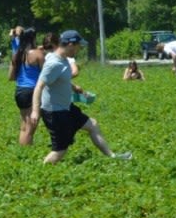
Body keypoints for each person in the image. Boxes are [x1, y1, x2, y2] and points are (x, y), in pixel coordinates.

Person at [30, 30, 131, 164]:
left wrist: (73, 87)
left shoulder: (63, 58)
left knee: (92, 125)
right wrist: (36, 111)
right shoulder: (53, 63)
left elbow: (59, 78)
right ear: (71, 44)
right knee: (60, 151)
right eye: (79, 46)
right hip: (54, 112)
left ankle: (112, 156)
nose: (80, 49)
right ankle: (42, 171)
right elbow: (39, 87)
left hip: (66, 107)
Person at [8, 27, 45, 145]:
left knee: (24, 125)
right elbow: (46, 73)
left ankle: (22, 153)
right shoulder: (37, 54)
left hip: (20, 90)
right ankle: (26, 153)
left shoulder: (17, 54)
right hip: (32, 91)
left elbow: (11, 76)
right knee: (31, 127)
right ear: (33, 38)